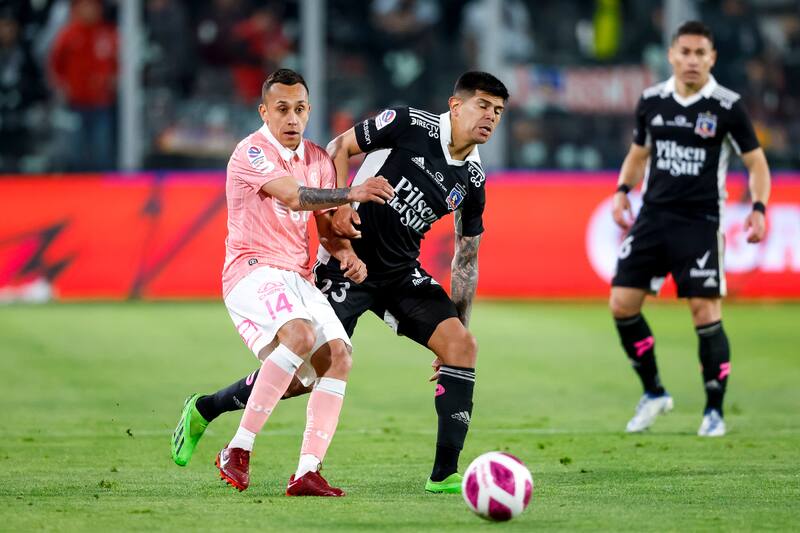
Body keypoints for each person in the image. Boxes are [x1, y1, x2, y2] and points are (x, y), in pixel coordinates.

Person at [171, 71, 509, 493]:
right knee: (303, 374)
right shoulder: (408, 123)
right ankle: (209, 407)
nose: (490, 118)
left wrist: (458, 325)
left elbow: (466, 257)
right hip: (345, 265)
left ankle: (444, 475)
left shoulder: (473, 181)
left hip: (401, 273)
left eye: (497, 111)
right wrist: (344, 206)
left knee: (462, 346)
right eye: (482, 106)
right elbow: (342, 146)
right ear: (456, 106)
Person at [176, 68, 394, 496]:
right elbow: (295, 196)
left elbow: (326, 225)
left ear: (309, 111)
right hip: (251, 269)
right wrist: (353, 192)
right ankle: (238, 448)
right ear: (264, 111)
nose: (291, 118)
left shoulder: (316, 158)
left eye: (299, 109)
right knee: (298, 335)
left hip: (297, 276)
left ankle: (307, 472)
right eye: (282, 109)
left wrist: (348, 255)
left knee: (338, 357)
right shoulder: (251, 152)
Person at [610, 21, 771, 437]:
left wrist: (758, 207)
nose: (692, 60)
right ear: (671, 55)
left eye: (701, 53)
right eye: (685, 51)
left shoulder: (727, 105)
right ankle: (654, 392)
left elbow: (756, 163)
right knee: (622, 305)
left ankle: (714, 410)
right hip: (653, 218)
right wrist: (623, 189)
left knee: (704, 311)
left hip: (700, 223)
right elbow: (638, 152)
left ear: (712, 58)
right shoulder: (651, 101)